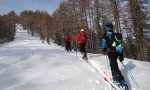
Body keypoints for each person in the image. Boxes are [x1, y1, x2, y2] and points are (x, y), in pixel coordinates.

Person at [101, 22, 127, 88]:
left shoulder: (105, 35)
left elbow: (103, 44)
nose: (106, 28)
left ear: (107, 28)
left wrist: (103, 48)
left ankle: (121, 80)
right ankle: (115, 77)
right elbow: (120, 46)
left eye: (106, 27)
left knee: (114, 66)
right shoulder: (116, 34)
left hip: (111, 52)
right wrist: (121, 56)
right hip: (117, 52)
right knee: (113, 64)